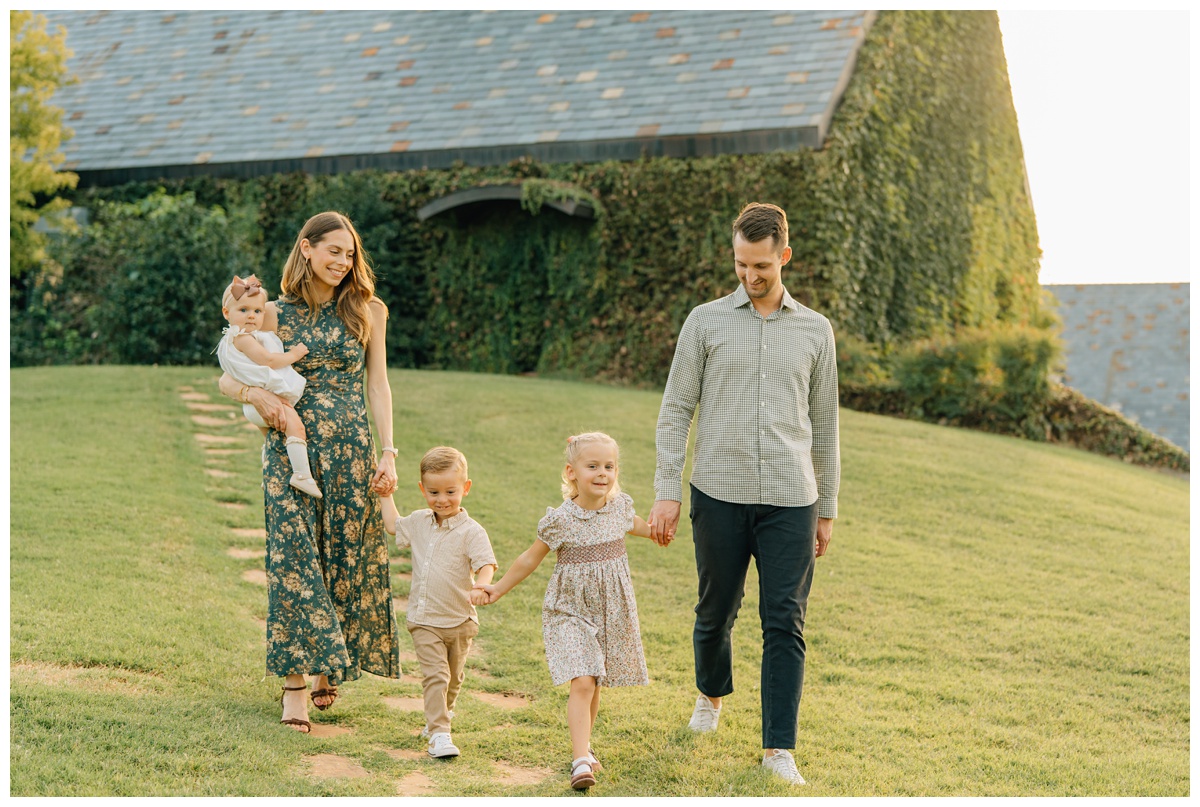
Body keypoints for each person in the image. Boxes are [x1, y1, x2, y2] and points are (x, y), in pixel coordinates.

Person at [647, 202, 841, 786]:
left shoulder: (816, 330)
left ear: (784, 256)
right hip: (718, 493)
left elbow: (825, 424)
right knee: (715, 613)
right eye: (741, 264)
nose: (750, 276)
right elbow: (675, 409)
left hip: (792, 498)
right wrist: (667, 490)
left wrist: (827, 507)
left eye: (761, 265)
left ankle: (779, 748)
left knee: (785, 621)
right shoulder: (704, 322)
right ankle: (710, 696)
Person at [217, 211, 402, 734]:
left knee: (343, 557)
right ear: (306, 249)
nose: (342, 262)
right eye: (333, 251)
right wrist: (254, 394)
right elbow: (227, 374)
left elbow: (378, 385)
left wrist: (388, 451)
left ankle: (329, 665)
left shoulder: (369, 310)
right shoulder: (271, 314)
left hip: (351, 451)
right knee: (294, 559)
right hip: (290, 449)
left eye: (349, 254)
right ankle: (295, 685)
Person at [475, 432, 657, 791]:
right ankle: (579, 762)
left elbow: (637, 525)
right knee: (583, 680)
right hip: (569, 610)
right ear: (572, 472)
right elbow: (529, 559)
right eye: (593, 466)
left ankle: (584, 746)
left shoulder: (619, 508)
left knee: (594, 682)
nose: (602, 473)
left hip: (610, 611)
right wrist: (497, 588)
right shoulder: (561, 520)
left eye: (609, 466)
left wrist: (656, 532)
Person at [378, 446, 497, 759]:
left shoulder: (472, 531)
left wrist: (481, 585)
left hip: (460, 620)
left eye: (450, 491)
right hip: (424, 619)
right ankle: (440, 734)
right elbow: (393, 525)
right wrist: (385, 495)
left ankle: (442, 714)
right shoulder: (419, 522)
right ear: (422, 489)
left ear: (465, 488)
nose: (442, 499)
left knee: (453, 680)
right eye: (433, 492)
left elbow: (486, 564)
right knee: (437, 676)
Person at [215, 274, 321, 498]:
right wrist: (295, 354)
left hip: (252, 407)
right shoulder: (243, 339)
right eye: (243, 310)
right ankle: (302, 475)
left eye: (257, 311)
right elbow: (269, 360)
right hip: (264, 400)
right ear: (226, 313)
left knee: (270, 441)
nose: (251, 316)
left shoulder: (234, 340)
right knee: (296, 428)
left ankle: (268, 473)